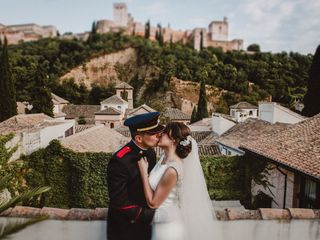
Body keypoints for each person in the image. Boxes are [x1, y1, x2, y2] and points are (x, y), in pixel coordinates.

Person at [137, 122, 220, 240]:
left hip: (168, 228)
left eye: (165, 133)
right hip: (158, 222)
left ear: (174, 140)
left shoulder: (173, 169)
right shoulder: (163, 159)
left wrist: (144, 173)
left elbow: (153, 203)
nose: (160, 134)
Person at [106, 112, 165, 240]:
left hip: (145, 226)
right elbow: (119, 202)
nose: (158, 136)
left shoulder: (150, 152)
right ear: (139, 138)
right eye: (153, 134)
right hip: (125, 228)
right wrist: (150, 215)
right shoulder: (120, 160)